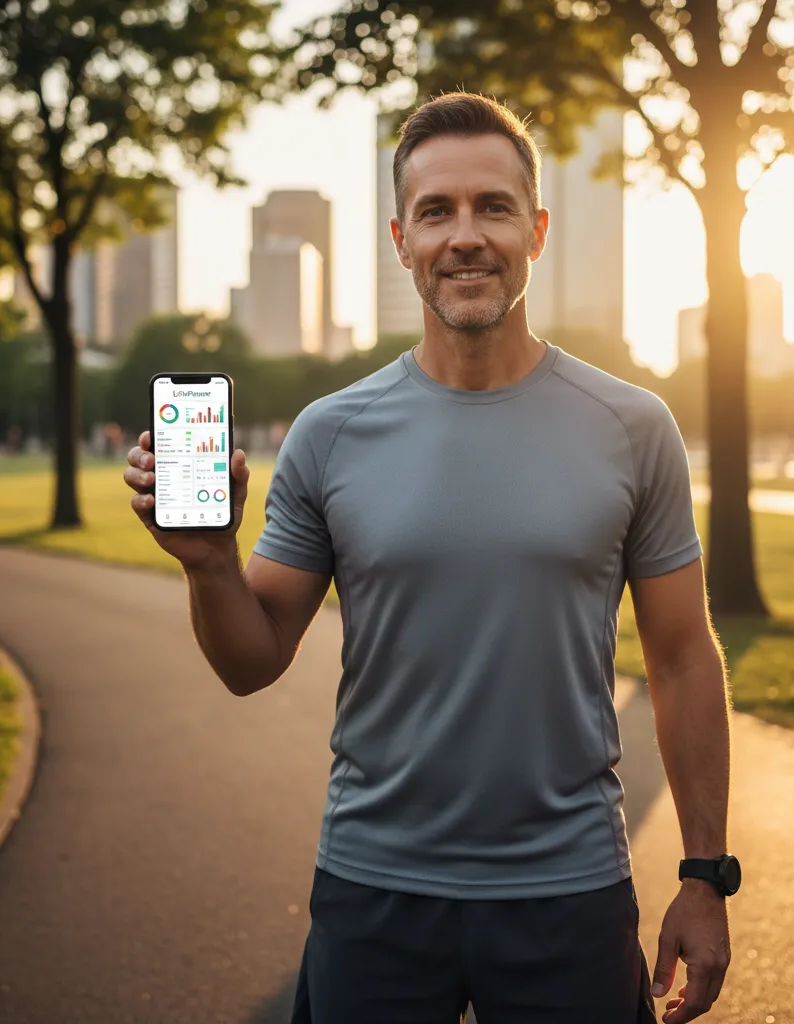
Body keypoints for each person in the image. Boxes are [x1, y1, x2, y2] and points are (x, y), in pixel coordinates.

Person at [123, 92, 735, 1024]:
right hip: (374, 893)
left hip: (568, 894)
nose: (466, 236)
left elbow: (685, 656)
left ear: (534, 231)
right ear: (401, 238)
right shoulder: (331, 435)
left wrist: (704, 874)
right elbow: (251, 664)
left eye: (492, 207)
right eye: (437, 211)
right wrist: (208, 562)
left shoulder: (633, 427)